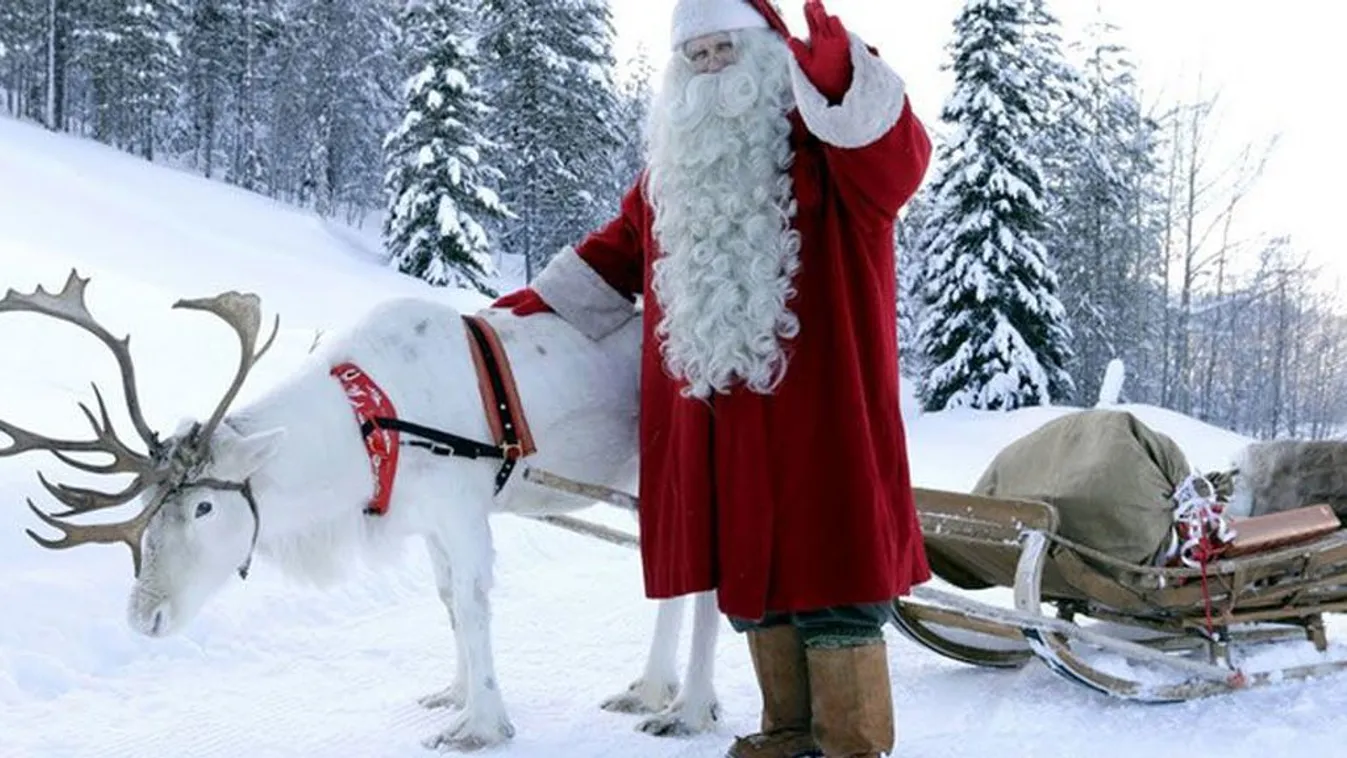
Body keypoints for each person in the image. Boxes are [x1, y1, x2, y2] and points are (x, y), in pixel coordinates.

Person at [493, 0, 931, 755]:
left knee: (834, 579)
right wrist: (518, 312)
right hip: (717, 423)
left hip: (822, 415)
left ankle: (852, 744)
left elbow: (896, 163)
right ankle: (788, 732)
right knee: (753, 581)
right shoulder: (672, 174)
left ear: (767, 52)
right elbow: (614, 255)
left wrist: (842, 77)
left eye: (723, 49)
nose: (707, 67)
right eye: (692, 55)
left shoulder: (830, 148)